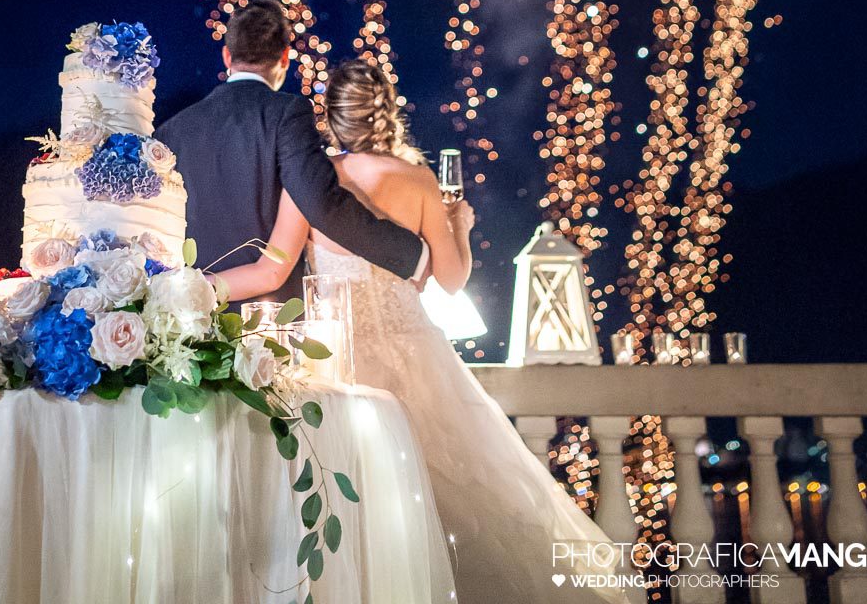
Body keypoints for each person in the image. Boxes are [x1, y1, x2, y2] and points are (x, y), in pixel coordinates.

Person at [221, 57, 618, 604]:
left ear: (332, 119)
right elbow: (451, 280)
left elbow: (273, 266)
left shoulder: (316, 182)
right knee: (449, 495)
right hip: (414, 352)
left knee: (345, 490)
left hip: (334, 355)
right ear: (384, 112)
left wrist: (199, 286)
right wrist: (459, 224)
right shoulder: (418, 181)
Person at [158, 0, 427, 302]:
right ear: (285, 57)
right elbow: (321, 201)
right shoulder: (288, 113)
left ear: (227, 56)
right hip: (273, 321)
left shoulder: (172, 130)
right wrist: (412, 254)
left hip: (190, 320)